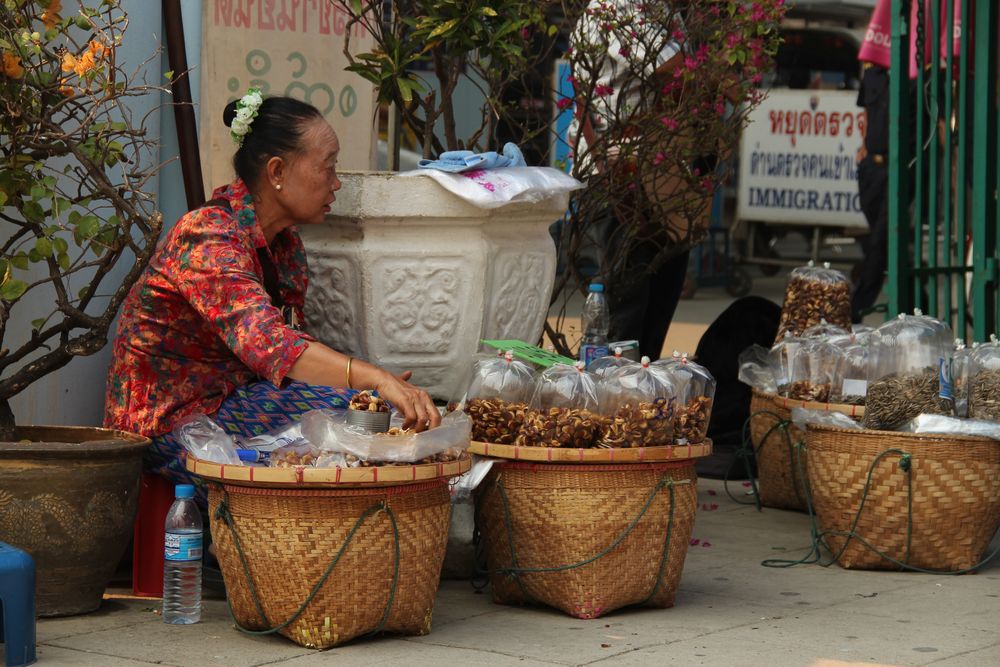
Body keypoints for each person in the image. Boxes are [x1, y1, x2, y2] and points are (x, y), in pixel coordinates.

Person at [104, 92, 440, 500]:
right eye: (327, 167)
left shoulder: (284, 245)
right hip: (170, 422)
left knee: (370, 416)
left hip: (235, 399)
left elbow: (291, 341)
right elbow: (274, 347)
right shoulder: (208, 235)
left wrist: (371, 390)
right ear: (277, 171)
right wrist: (376, 379)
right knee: (361, 423)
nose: (335, 183)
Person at [570, 1, 716, 360]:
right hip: (622, 170)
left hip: (659, 169)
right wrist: (720, 78)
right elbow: (676, 71)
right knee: (628, 307)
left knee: (661, 291)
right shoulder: (620, 5)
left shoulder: (662, 8)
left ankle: (639, 394)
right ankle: (618, 399)